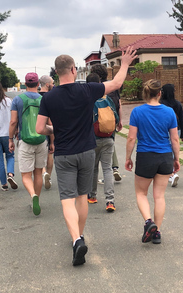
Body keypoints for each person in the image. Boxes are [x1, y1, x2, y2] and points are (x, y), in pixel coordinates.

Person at [35, 47, 137, 266]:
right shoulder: (88, 90)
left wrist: (55, 131)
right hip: (87, 152)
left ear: (55, 72)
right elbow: (116, 84)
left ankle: (76, 239)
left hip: (64, 155)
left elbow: (39, 128)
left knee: (67, 199)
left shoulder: (48, 98)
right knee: (82, 196)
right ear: (73, 70)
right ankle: (78, 237)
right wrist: (125, 63)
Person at [125, 79, 180, 245]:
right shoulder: (169, 112)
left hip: (145, 156)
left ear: (145, 93)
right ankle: (157, 233)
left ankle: (149, 222)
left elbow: (131, 138)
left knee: (141, 193)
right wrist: (176, 159)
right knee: (159, 196)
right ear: (159, 94)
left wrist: (128, 157)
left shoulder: (137, 112)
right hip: (164, 157)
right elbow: (175, 139)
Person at [9, 72, 48, 216]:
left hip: (25, 140)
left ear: (25, 84)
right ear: (38, 84)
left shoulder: (18, 100)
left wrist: (10, 139)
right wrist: (52, 142)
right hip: (41, 139)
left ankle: (33, 196)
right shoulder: (44, 99)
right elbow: (50, 122)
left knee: (26, 175)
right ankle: (36, 197)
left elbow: (13, 122)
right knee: (38, 172)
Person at [86, 73, 119, 212]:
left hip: (93, 139)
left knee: (93, 169)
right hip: (108, 138)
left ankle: (92, 196)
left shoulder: (88, 100)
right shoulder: (108, 99)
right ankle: (110, 201)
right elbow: (115, 117)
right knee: (107, 169)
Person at [90, 64, 123, 182]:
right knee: (110, 143)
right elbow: (119, 104)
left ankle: (101, 174)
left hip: (96, 123)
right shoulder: (113, 86)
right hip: (112, 120)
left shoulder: (95, 87)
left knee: (98, 147)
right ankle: (113, 168)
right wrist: (120, 120)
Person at [160, 83, 183, 187]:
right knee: (174, 150)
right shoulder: (177, 104)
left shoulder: (160, 104)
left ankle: (168, 173)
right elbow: (182, 119)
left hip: (164, 130)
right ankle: (173, 172)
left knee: (166, 150)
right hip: (176, 130)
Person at [39, 75, 55, 190]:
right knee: (50, 153)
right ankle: (48, 176)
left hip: (34, 130)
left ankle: (43, 172)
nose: (54, 85)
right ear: (47, 84)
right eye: (53, 83)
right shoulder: (51, 97)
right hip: (47, 130)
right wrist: (53, 141)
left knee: (39, 156)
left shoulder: (35, 97)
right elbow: (51, 121)